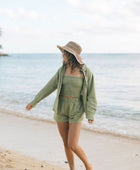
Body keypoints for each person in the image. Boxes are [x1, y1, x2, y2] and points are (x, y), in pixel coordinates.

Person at [25, 41, 97, 170]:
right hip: (61, 108)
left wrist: (90, 113)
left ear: (70, 54)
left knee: (73, 144)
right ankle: (72, 168)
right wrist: (34, 101)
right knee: (66, 144)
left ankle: (88, 166)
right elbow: (50, 86)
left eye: (64, 52)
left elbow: (91, 94)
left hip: (76, 109)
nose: (62, 54)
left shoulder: (85, 71)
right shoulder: (62, 70)